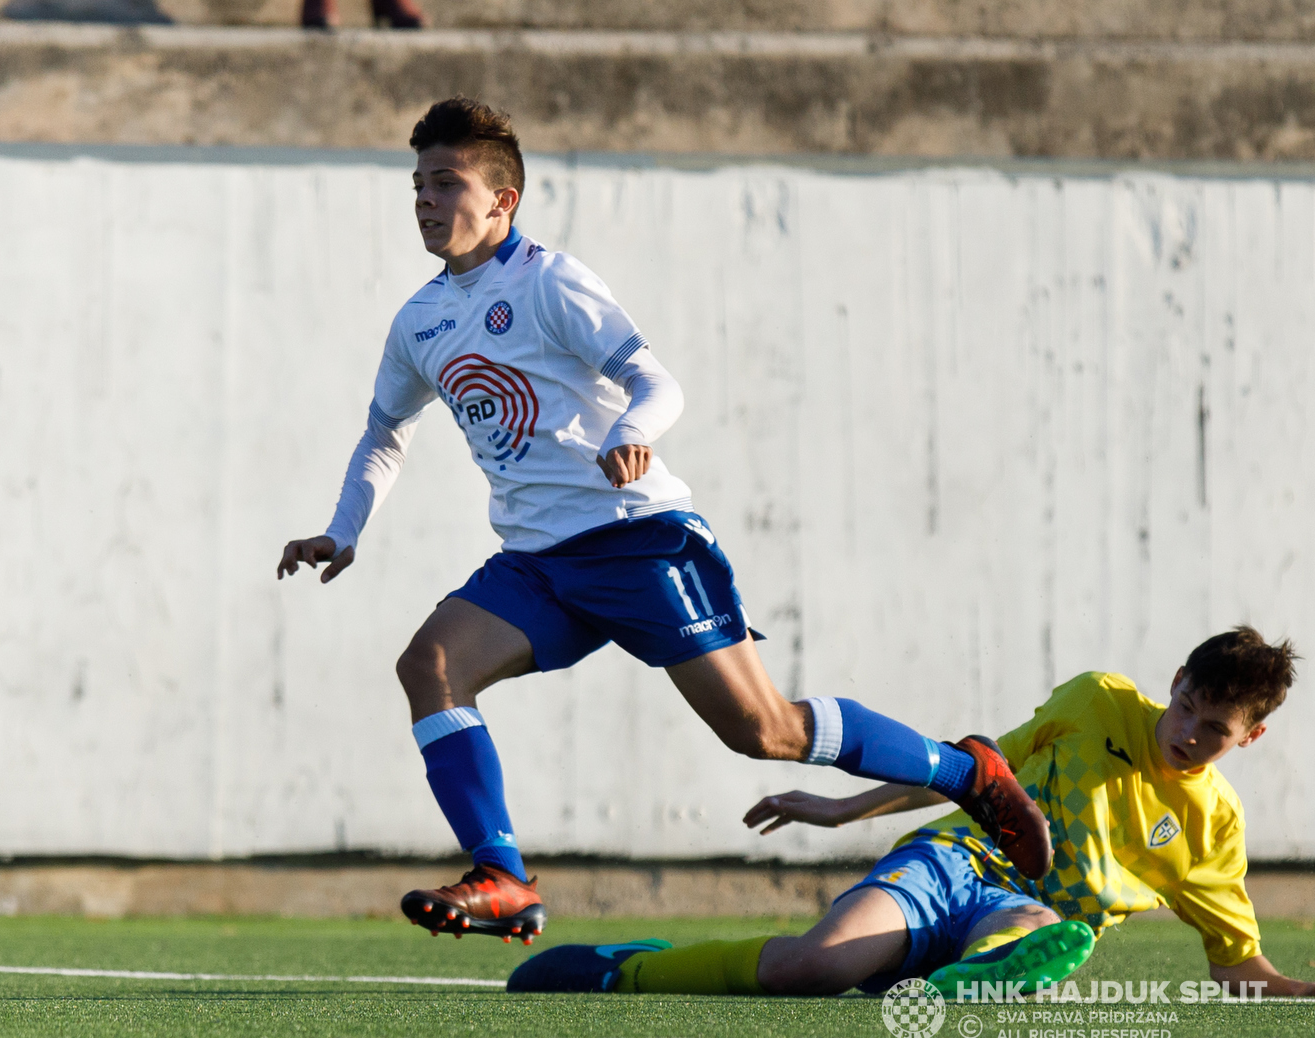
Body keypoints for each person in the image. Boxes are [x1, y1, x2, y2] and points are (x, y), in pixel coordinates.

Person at [276, 96, 1050, 944]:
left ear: (503, 200)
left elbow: (657, 383)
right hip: (536, 563)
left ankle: (964, 769)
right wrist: (342, 529)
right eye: (418, 183)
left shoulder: (549, 281)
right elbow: (386, 430)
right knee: (429, 665)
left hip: (637, 541)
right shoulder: (420, 319)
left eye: (447, 183)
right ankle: (502, 873)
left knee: (766, 731)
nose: (425, 200)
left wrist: (631, 432)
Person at [509, 627, 1315, 1000]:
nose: (1188, 734)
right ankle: (627, 965)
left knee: (1039, 925)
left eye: (1215, 730)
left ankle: (980, 975)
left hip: (1024, 908)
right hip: (954, 861)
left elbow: (1240, 970)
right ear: (1174, 681)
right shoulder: (1097, 701)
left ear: (1252, 736)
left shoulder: (1214, 829)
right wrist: (839, 811)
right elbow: (974, 774)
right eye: (1185, 708)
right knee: (809, 969)